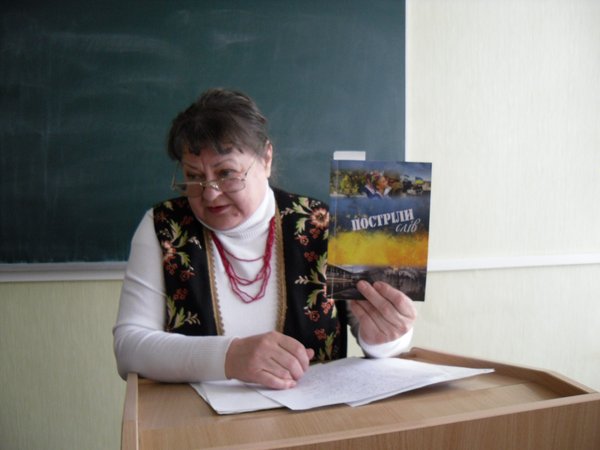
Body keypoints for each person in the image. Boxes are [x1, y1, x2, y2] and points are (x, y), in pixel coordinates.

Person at [113, 88, 417, 390]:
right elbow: (128, 348)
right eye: (194, 177)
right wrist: (230, 356)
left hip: (314, 416)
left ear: (266, 159)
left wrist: (385, 339)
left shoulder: (324, 224)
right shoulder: (163, 227)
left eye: (226, 173)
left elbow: (380, 342)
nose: (210, 194)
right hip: (198, 418)